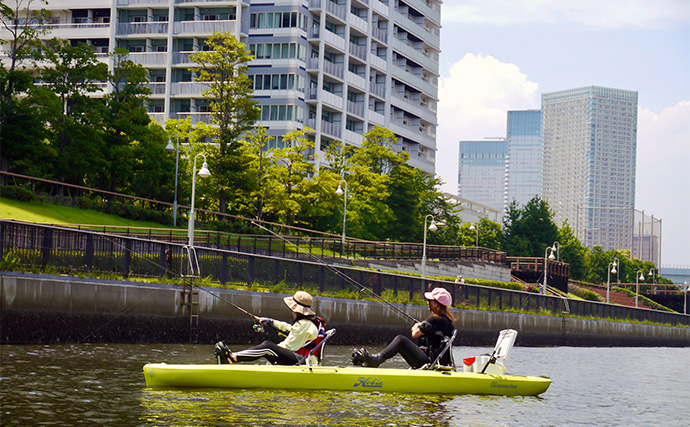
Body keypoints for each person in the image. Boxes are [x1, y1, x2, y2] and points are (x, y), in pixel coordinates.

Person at [351, 287, 456, 369]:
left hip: (428, 361)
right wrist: (423, 325)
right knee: (402, 341)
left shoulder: (434, 320)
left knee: (400, 340)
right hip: (437, 361)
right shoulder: (447, 321)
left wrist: (415, 326)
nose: (427, 302)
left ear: (436, 304)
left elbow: (415, 334)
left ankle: (377, 360)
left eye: (430, 300)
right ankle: (377, 359)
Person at [215, 291, 325, 366]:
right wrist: (270, 321)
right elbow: (289, 329)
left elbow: (289, 346)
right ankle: (234, 357)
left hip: (302, 362)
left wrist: (272, 350)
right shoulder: (308, 323)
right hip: (304, 360)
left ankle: (232, 357)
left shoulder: (304, 325)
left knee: (267, 346)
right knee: (268, 348)